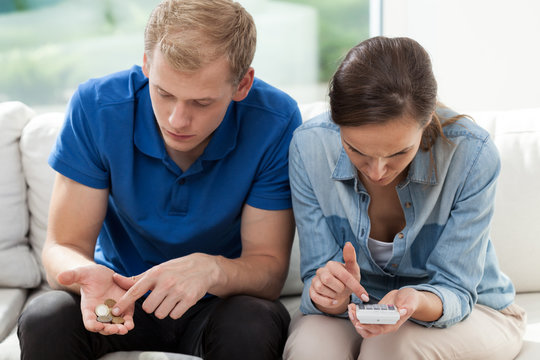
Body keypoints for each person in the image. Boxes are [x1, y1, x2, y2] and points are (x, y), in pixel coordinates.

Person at [17, 1, 302, 359]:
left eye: (201, 102)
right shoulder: (96, 107)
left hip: (216, 305)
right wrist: (88, 274)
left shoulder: (275, 121)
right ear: (147, 65)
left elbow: (268, 270)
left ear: (242, 84)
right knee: (46, 316)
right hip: (118, 298)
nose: (177, 120)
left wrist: (211, 269)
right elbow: (63, 247)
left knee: (253, 321)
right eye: (164, 93)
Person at [283, 36, 526, 360]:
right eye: (356, 150)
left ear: (425, 123)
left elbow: (456, 288)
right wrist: (333, 294)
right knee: (311, 351)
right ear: (336, 122)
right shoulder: (310, 147)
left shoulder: (471, 155)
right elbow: (317, 274)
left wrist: (415, 300)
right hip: (353, 311)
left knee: (387, 349)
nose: (377, 171)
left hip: (472, 309)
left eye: (398, 152)